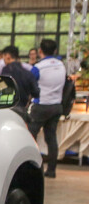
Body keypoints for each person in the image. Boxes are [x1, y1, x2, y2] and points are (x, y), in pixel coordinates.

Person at [28, 38, 67, 178]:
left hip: (41, 106)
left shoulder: (38, 67)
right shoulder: (62, 65)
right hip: (56, 106)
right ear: (55, 51)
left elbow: (30, 86)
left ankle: (32, 168)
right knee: (51, 139)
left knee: (30, 137)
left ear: (40, 51)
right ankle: (51, 170)